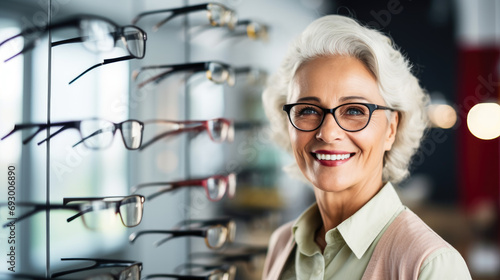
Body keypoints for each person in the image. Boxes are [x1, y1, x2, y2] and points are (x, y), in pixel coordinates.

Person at [261, 15, 472, 279]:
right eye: (307, 110)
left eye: (354, 110)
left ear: (391, 129)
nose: (327, 132)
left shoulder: (430, 265)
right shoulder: (282, 245)